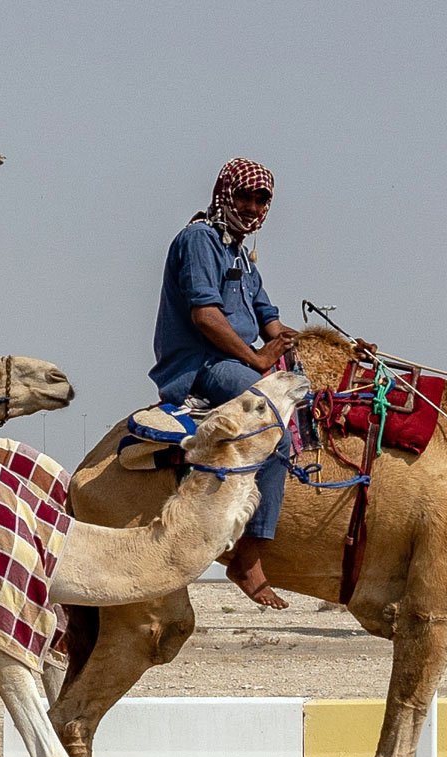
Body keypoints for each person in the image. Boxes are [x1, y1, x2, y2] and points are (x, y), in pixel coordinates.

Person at [149, 158, 297, 609]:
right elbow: (205, 316)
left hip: (234, 359)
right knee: (274, 427)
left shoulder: (241, 255)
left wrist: (313, 346)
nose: (252, 207)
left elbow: (269, 319)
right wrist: (258, 358)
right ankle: (247, 558)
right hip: (203, 364)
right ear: (225, 194)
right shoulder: (200, 240)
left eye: (260, 199)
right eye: (244, 196)